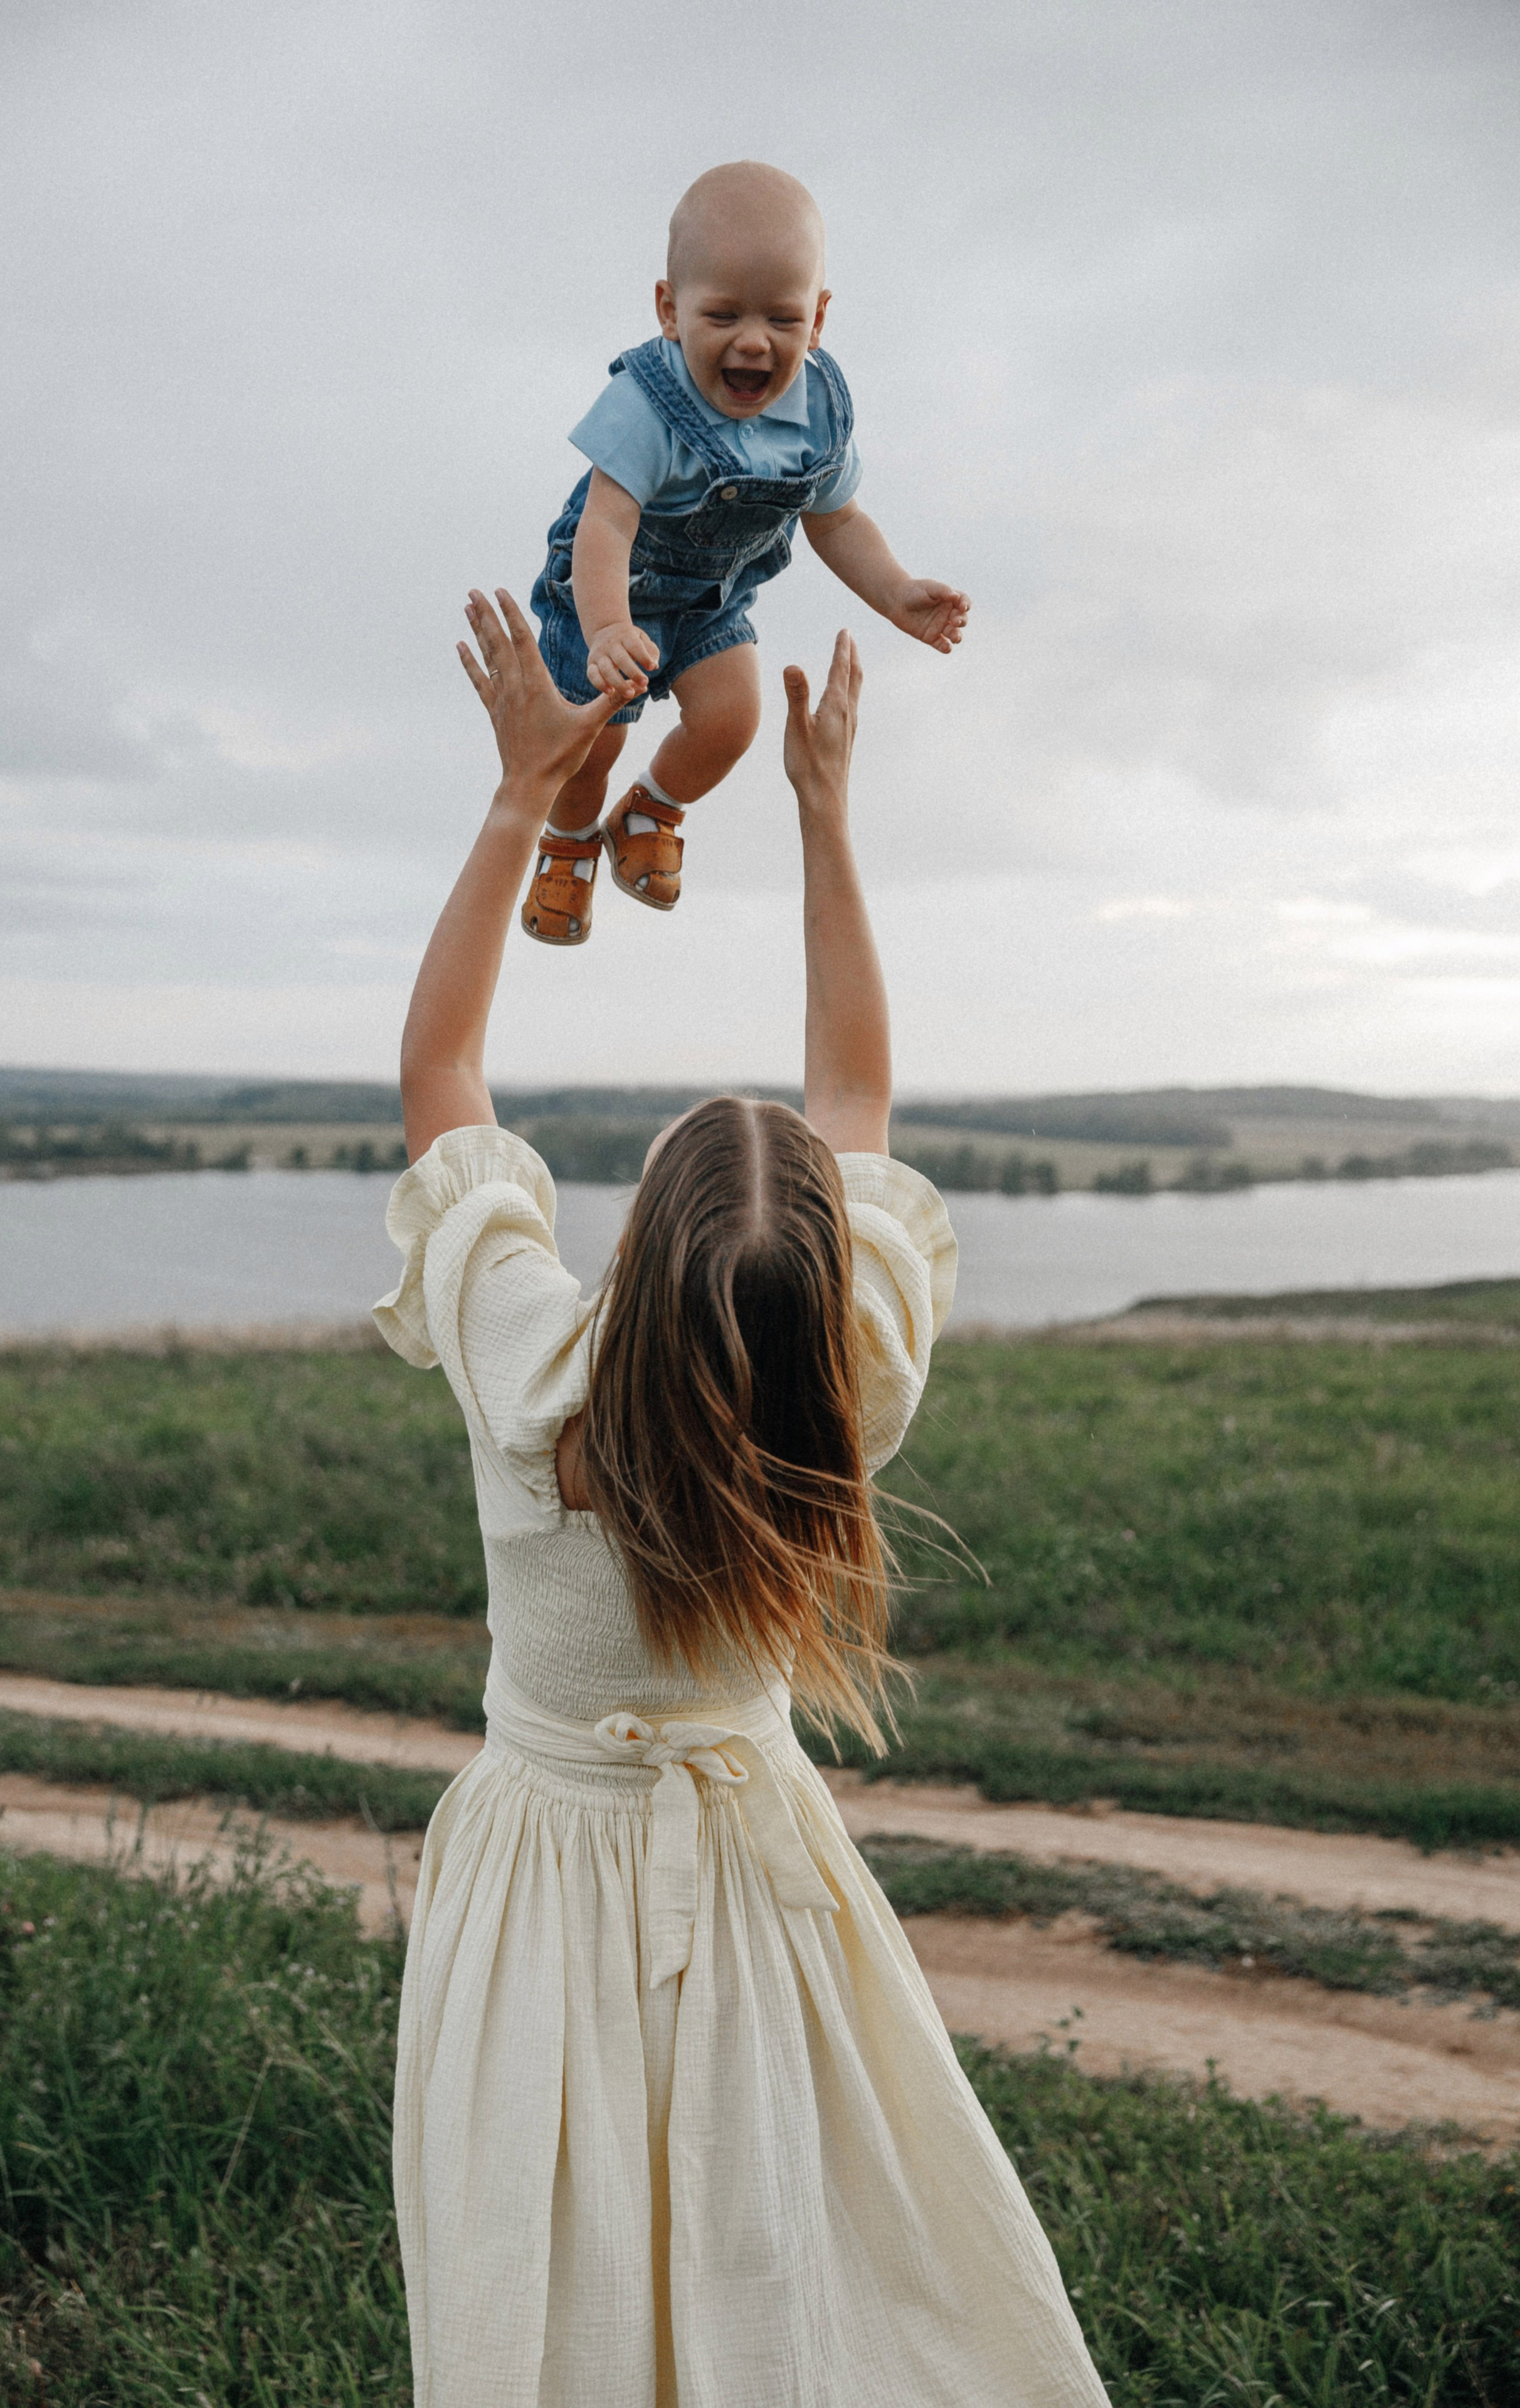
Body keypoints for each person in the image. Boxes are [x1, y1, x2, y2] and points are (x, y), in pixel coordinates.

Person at [375, 589, 1106, 2407]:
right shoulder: (842, 1388)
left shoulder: (539, 1367)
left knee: (548, 2294)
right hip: (760, 1876)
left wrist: (521, 800)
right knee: (791, 2266)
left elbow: (443, 1077)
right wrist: (824, 809)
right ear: (820, 1288)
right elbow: (854, 1085)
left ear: (628, 1252)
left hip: (542, 1886)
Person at [520, 159, 969, 944]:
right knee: (592, 745)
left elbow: (836, 520)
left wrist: (895, 593)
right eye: (723, 315)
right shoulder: (644, 405)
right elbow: (605, 528)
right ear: (669, 308)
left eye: (782, 320)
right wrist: (604, 631)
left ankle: (650, 812)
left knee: (734, 719)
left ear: (819, 319)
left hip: (710, 605)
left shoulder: (817, 413)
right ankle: (567, 843)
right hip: (604, 596)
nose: (754, 342)